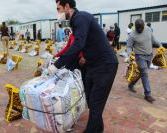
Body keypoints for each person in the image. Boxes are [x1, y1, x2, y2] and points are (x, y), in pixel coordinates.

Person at [48, 0, 118, 132]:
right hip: (93, 65)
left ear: (67, 6)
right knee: (91, 101)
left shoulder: (81, 18)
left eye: (58, 9)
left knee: (96, 104)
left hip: (105, 65)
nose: (57, 13)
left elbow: (78, 44)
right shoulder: (76, 21)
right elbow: (83, 43)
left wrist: (57, 64)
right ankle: (99, 129)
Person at [127, 19, 162, 103]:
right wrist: (130, 54)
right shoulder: (132, 35)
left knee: (141, 73)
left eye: (141, 28)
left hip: (150, 55)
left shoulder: (148, 29)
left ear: (144, 25)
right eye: (138, 28)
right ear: (135, 26)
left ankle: (131, 84)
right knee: (145, 73)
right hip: (140, 57)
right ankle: (148, 94)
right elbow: (128, 47)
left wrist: (160, 45)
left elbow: (153, 39)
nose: (140, 29)